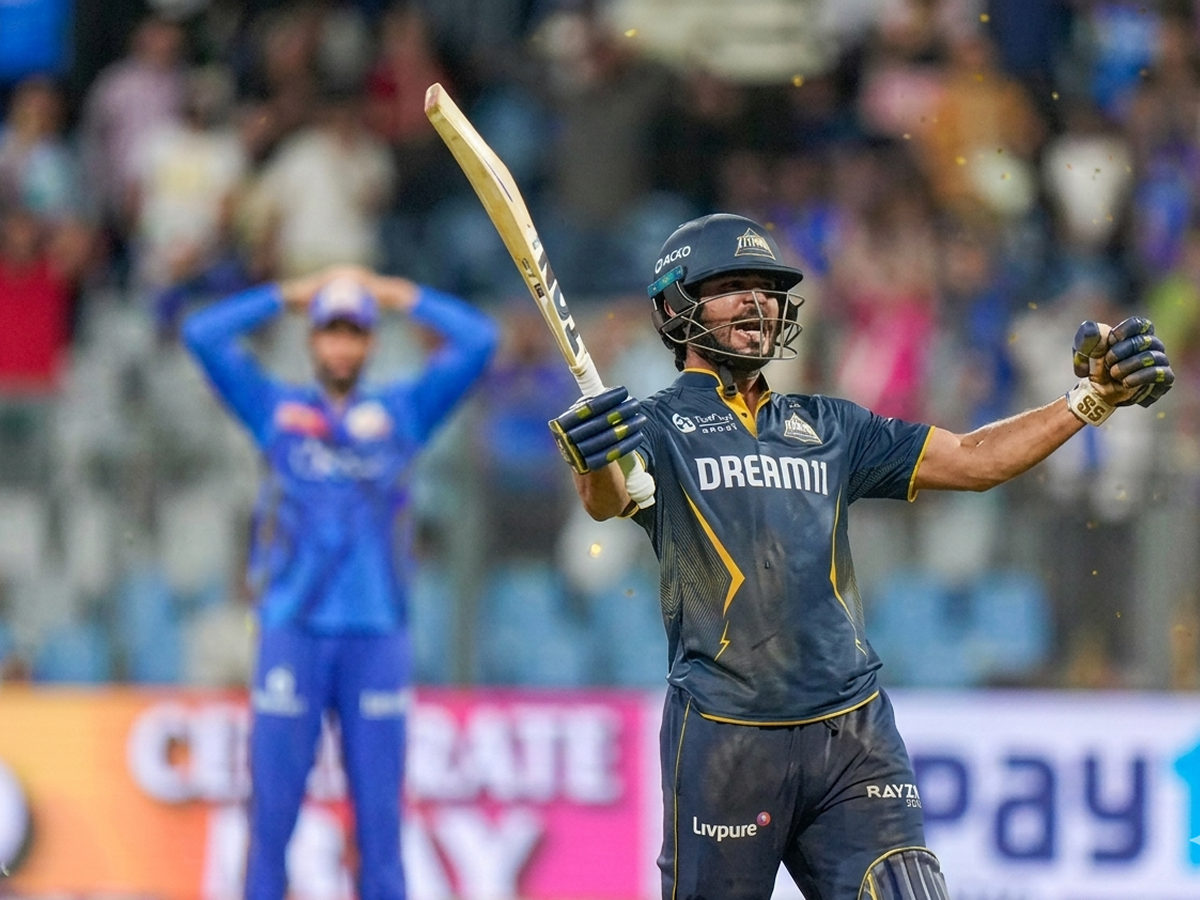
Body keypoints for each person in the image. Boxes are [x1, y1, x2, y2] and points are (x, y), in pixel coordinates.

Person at [547, 213, 1173, 900]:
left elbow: (973, 459)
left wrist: (1089, 399)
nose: (756, 302)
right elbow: (609, 498)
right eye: (731, 285)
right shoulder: (658, 428)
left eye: (767, 287)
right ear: (674, 306)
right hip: (726, 740)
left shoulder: (831, 426)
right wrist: (592, 458)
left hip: (852, 733)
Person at [182, 265, 498, 900]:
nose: (342, 346)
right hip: (291, 633)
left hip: (376, 637)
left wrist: (399, 292)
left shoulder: (405, 411)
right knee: (271, 820)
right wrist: (287, 294)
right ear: (312, 337)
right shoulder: (274, 408)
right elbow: (201, 334)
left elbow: (480, 340)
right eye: (330, 331)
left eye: (355, 332)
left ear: (372, 341)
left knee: (381, 824)